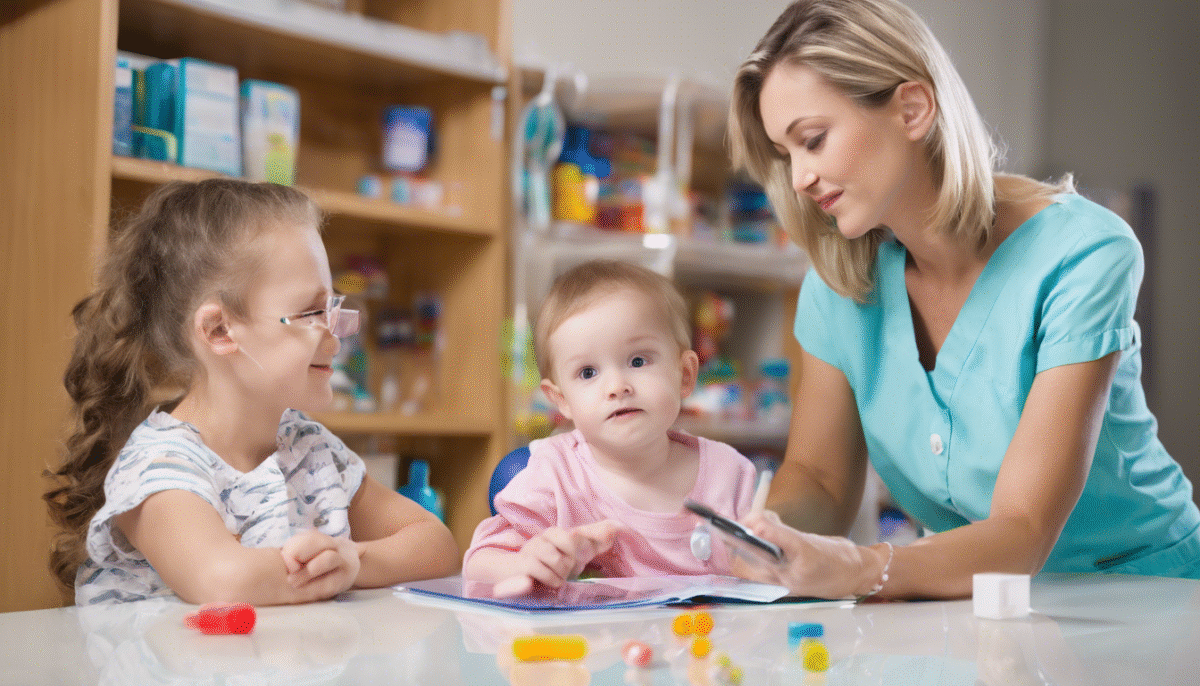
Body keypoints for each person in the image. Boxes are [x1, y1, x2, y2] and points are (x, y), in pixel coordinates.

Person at [725, 0, 1200, 600]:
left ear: (912, 108)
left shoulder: (1084, 254)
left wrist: (861, 567)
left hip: (1151, 601)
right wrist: (760, 538)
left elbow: (1021, 532)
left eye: (813, 140)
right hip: (976, 604)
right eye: (786, 154)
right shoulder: (841, 282)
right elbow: (819, 482)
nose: (798, 178)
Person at [45, 179, 460, 605]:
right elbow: (225, 582)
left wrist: (354, 560)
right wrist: (334, 570)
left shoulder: (311, 450)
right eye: (310, 313)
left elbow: (436, 545)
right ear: (219, 331)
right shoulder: (160, 467)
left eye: (332, 308)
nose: (337, 337)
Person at [463, 260, 759, 596]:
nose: (617, 386)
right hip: (593, 647)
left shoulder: (729, 474)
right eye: (588, 373)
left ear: (685, 375)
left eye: (638, 361)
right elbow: (478, 563)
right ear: (562, 401)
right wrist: (524, 562)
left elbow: (772, 570)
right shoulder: (556, 478)